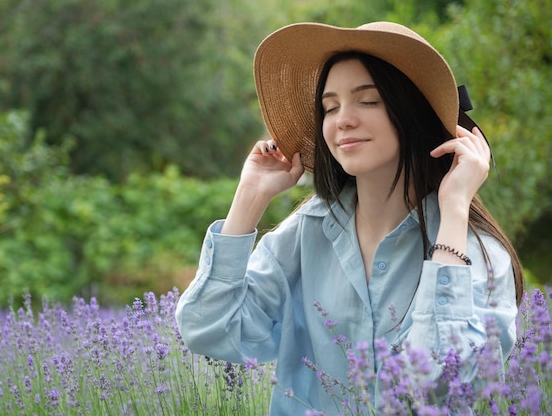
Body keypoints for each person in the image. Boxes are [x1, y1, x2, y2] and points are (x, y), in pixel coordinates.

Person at [175, 21, 523, 415]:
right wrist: (249, 197)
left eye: (367, 101)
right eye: (330, 106)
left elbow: (436, 386)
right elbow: (211, 330)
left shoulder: (479, 252)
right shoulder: (307, 232)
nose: (342, 120)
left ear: (410, 112)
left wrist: (456, 206)